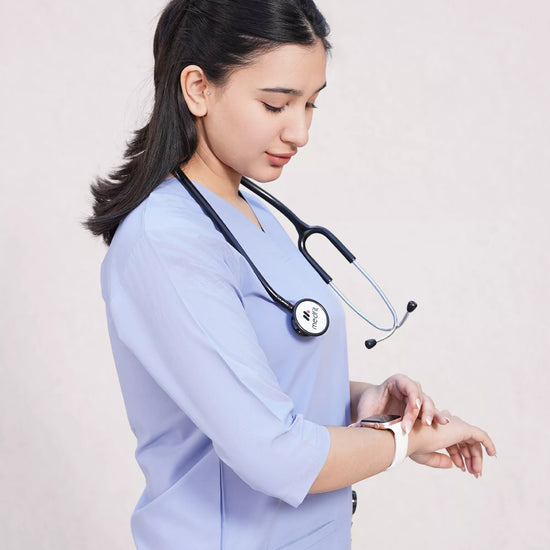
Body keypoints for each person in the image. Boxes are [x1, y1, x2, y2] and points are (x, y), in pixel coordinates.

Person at [83, 1, 496, 548]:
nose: (300, 132)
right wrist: (402, 438)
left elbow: (257, 381)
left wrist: (365, 401)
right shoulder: (166, 242)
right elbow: (273, 453)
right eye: (276, 104)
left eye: (310, 104)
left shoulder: (252, 217)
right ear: (198, 88)